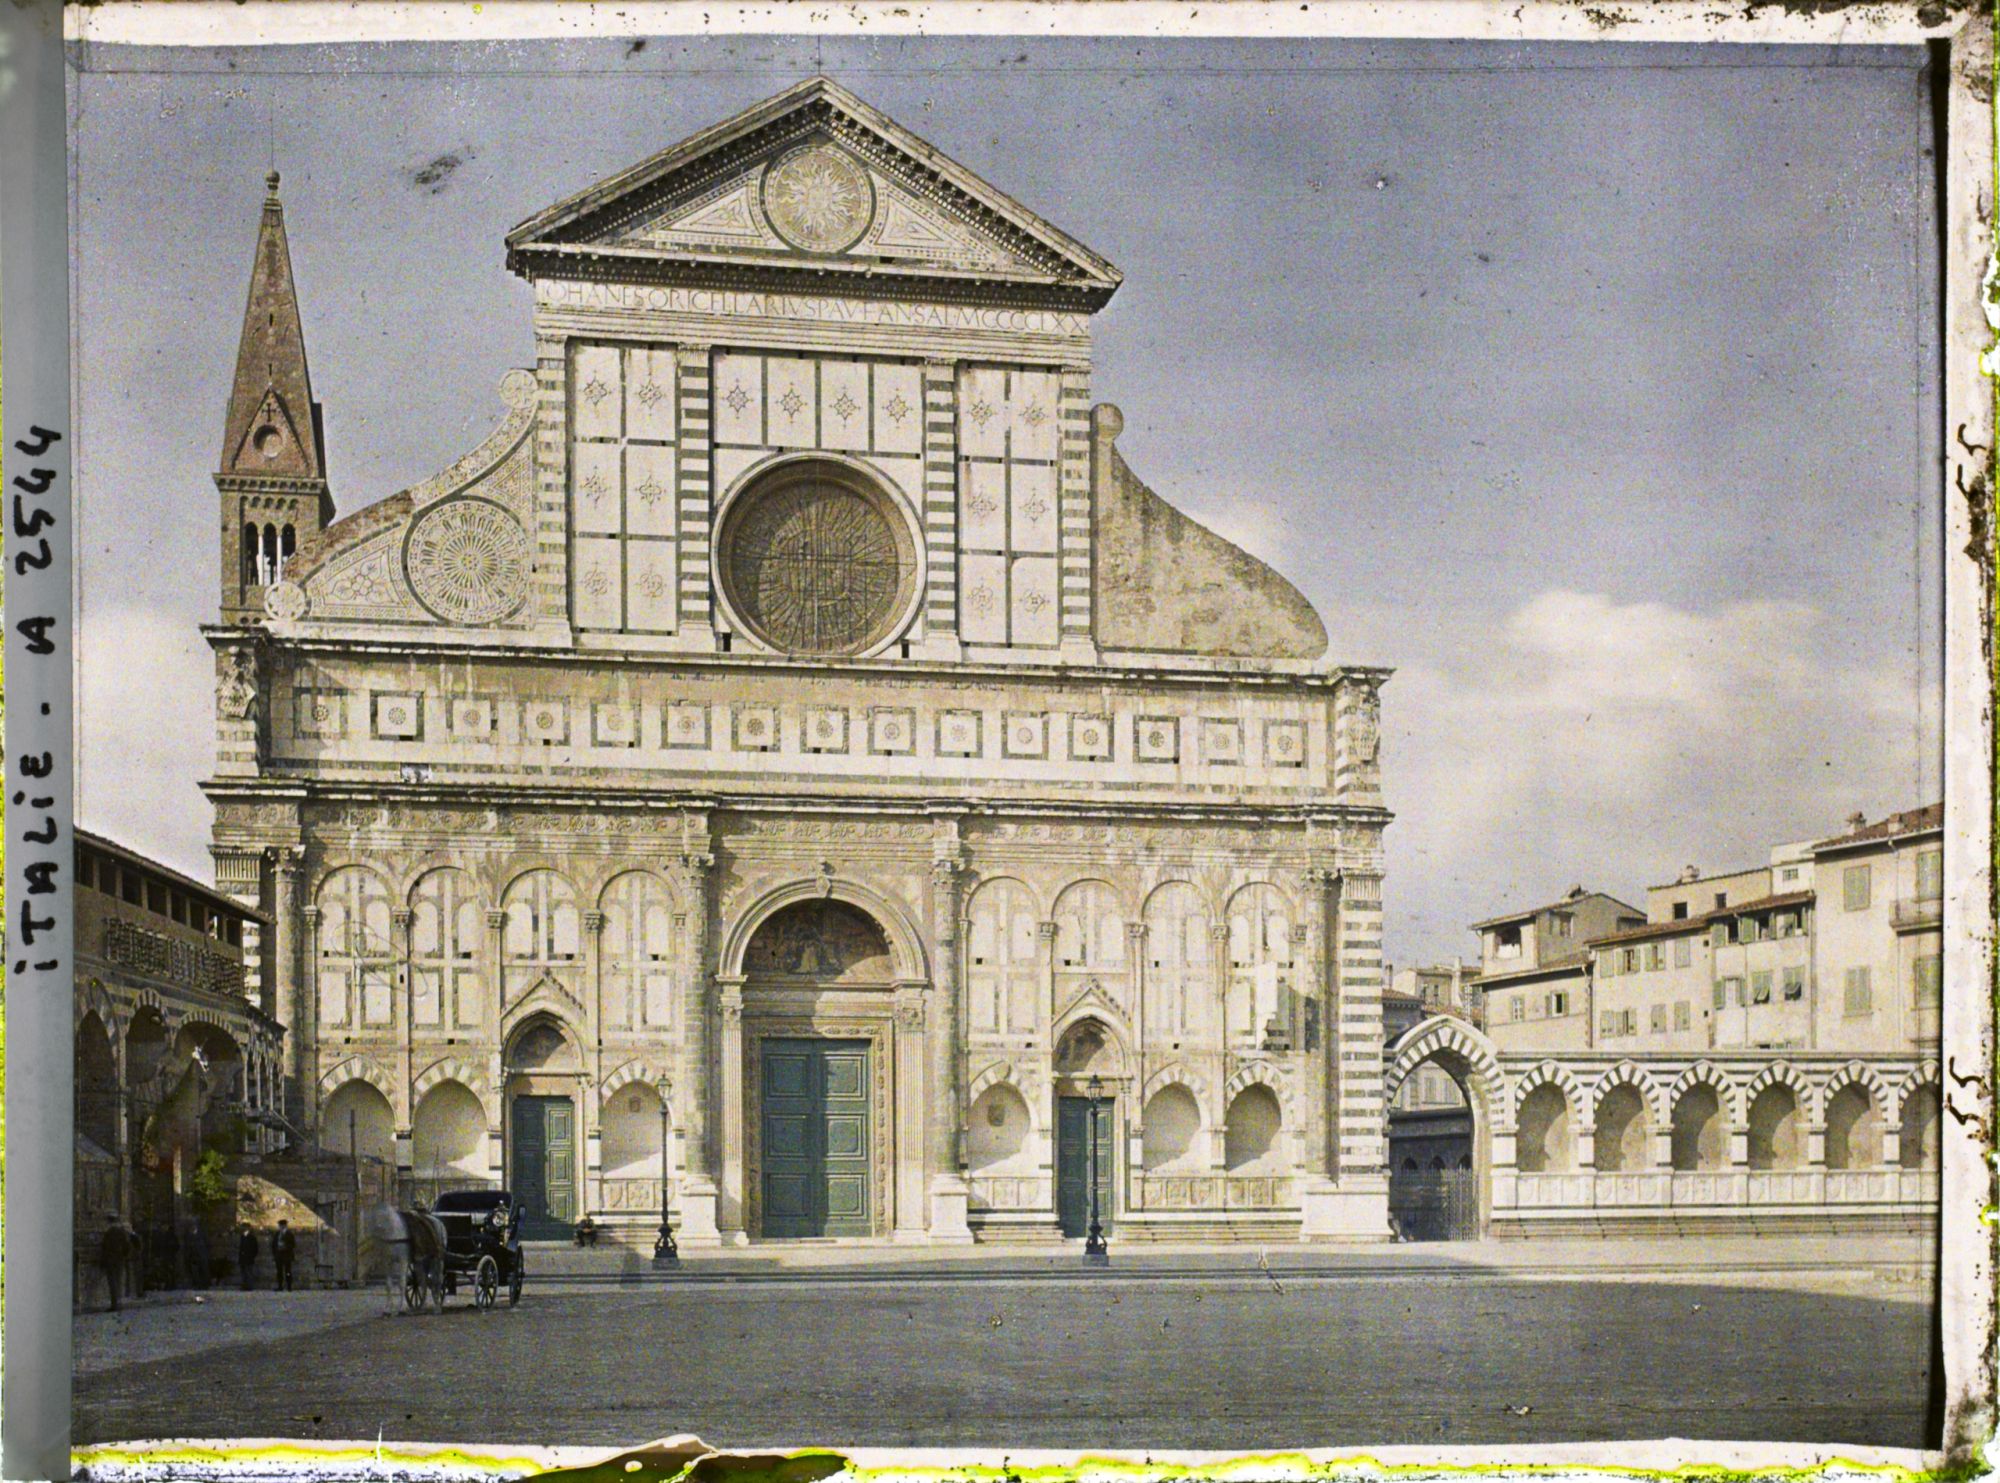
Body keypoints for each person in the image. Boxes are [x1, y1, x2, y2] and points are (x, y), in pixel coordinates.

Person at [372, 1203, 409, 1316]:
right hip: (390, 1242)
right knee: (388, 1275)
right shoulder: (384, 1216)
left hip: (401, 1244)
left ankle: (402, 1303)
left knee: (401, 1274)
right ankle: (390, 1302)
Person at [98, 1215, 133, 1312]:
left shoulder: (108, 1233)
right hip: (119, 1260)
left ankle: (115, 1304)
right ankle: (118, 1303)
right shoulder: (122, 1232)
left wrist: (103, 1262)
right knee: (118, 1281)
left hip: (110, 1261)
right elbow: (127, 1246)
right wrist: (123, 1256)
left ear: (109, 1222)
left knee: (112, 1283)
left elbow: (104, 1248)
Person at [272, 1218, 297, 1291]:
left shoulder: (289, 1234)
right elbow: (273, 1244)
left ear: (285, 1226)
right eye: (280, 1225)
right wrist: (275, 1252)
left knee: (288, 1271)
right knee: (279, 1271)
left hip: (287, 1255)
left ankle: (289, 1286)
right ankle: (280, 1286)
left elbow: (292, 1244)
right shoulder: (277, 1234)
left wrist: (285, 1247)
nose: (281, 1227)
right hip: (279, 1255)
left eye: (282, 1225)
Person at [237, 1224, 259, 1290]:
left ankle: (249, 1286)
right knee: (243, 1272)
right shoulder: (242, 1236)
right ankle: (244, 1285)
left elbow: (255, 1248)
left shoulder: (252, 1237)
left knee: (248, 1272)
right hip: (243, 1257)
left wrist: (252, 1256)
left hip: (249, 1257)